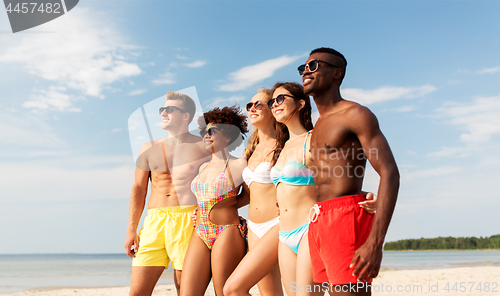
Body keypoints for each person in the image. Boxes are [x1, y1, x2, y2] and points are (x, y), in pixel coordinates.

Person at [301, 48, 399, 295]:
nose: (306, 71)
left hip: (345, 218)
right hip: (318, 219)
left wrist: (375, 242)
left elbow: (389, 173)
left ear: (337, 73)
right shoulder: (319, 123)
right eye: (303, 67)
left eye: (314, 65)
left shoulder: (355, 114)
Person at [268, 82, 377, 296]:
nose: (274, 104)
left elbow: (335, 179)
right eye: (272, 101)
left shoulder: (312, 140)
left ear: (301, 104)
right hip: (284, 234)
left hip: (309, 230)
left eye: (281, 98)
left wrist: (363, 194)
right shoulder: (281, 147)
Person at [124, 92, 211, 296]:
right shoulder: (148, 148)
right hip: (154, 221)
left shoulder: (204, 147)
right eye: (162, 109)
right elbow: (138, 189)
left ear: (185, 116)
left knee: (186, 290)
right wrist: (131, 230)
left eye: (169, 109)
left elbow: (215, 184)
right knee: (137, 293)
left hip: (189, 219)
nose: (164, 112)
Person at [180, 105, 249, 296]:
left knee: (224, 292)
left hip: (227, 230)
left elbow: (250, 196)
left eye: (211, 131)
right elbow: (204, 198)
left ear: (227, 136)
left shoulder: (240, 164)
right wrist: (201, 210)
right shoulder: (202, 167)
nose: (205, 135)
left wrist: (226, 208)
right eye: (204, 131)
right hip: (199, 231)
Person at [224, 89, 284, 296]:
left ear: (273, 108)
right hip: (254, 228)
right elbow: (248, 196)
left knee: (232, 289)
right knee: (271, 294)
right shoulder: (251, 151)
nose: (252, 108)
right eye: (249, 105)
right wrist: (212, 209)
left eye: (259, 104)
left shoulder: (285, 146)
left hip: (277, 225)